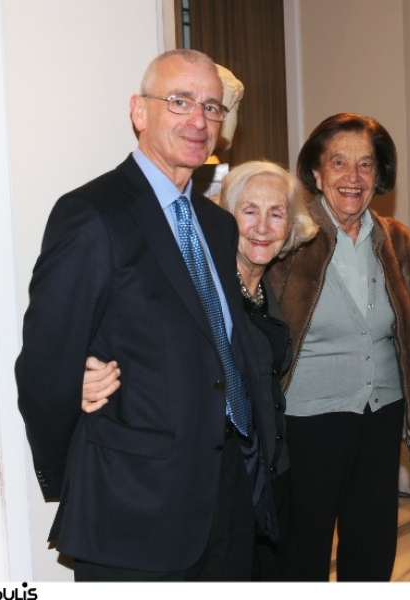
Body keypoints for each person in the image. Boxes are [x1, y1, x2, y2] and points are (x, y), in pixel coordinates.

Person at [15, 49, 276, 581]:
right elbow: (45, 366)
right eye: (180, 101)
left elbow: (217, 342)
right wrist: (78, 467)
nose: (199, 120)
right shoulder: (92, 215)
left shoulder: (218, 225)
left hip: (230, 488)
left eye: (212, 107)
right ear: (139, 111)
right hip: (134, 508)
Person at [84, 160, 318, 581]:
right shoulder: (203, 290)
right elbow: (136, 337)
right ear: (222, 218)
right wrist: (83, 374)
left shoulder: (270, 285)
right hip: (216, 481)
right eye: (249, 211)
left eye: (276, 213)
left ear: (290, 227)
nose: (262, 227)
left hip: (270, 472)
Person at [265, 113, 410, 581]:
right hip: (307, 421)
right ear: (316, 173)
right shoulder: (291, 239)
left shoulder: (397, 241)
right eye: (338, 162)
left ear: (379, 175)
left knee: (372, 547)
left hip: (381, 416)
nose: (353, 177)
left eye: (365, 164)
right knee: (304, 553)